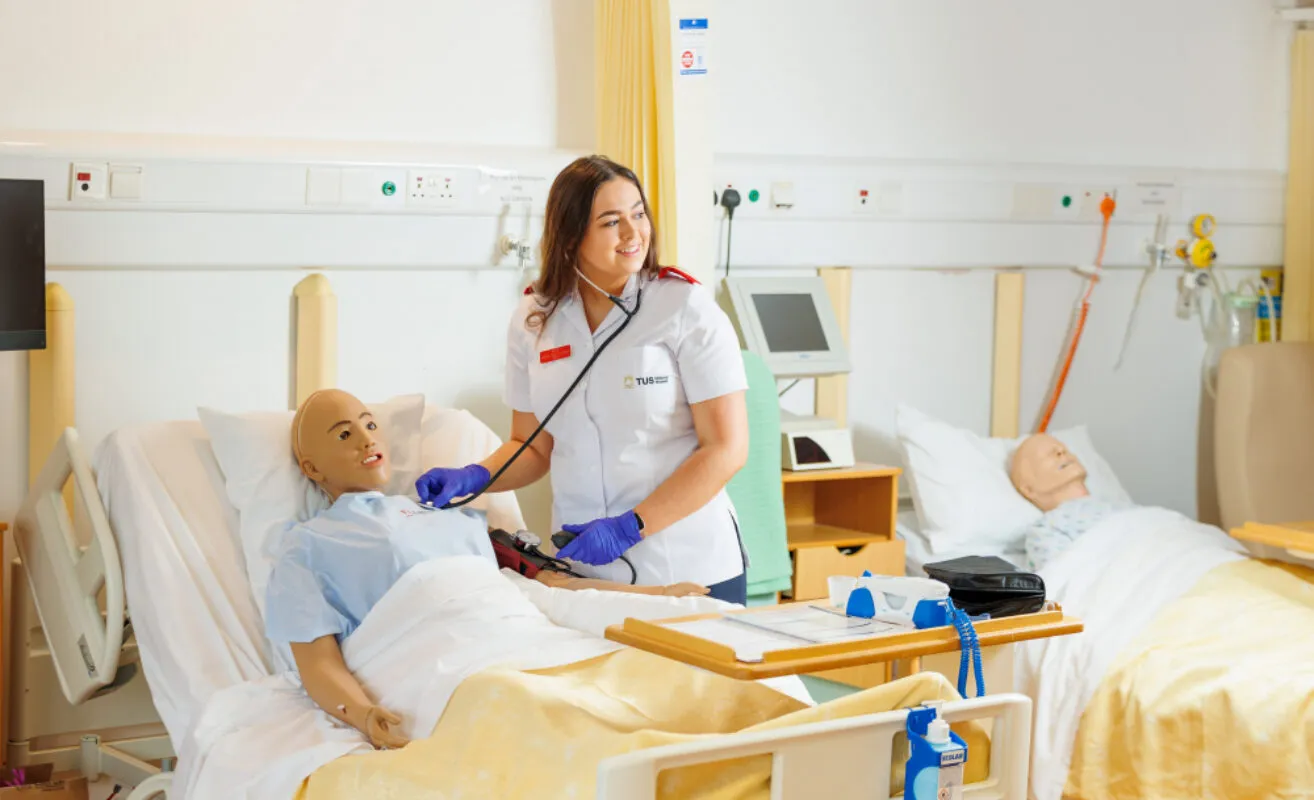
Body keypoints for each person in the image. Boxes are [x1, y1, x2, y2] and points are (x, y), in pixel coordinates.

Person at [263, 389, 710, 750]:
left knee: (649, 687)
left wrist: (660, 595)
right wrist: (361, 714)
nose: (366, 439)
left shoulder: (446, 512)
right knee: (542, 711)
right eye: (344, 434)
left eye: (370, 425)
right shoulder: (306, 545)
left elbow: (547, 585)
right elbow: (317, 663)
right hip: (450, 660)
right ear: (311, 467)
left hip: (526, 639)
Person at [415, 155, 753, 604]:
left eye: (638, 214)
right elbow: (532, 447)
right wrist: (475, 476)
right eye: (612, 222)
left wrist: (631, 527)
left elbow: (726, 449)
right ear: (571, 236)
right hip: (583, 573)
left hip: (686, 564)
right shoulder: (536, 318)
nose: (634, 233)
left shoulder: (685, 308)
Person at [1009, 433, 1130, 571]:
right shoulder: (1047, 530)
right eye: (1047, 454)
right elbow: (1063, 576)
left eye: (1064, 449)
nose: (1061, 451)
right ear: (1028, 489)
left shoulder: (1117, 505)